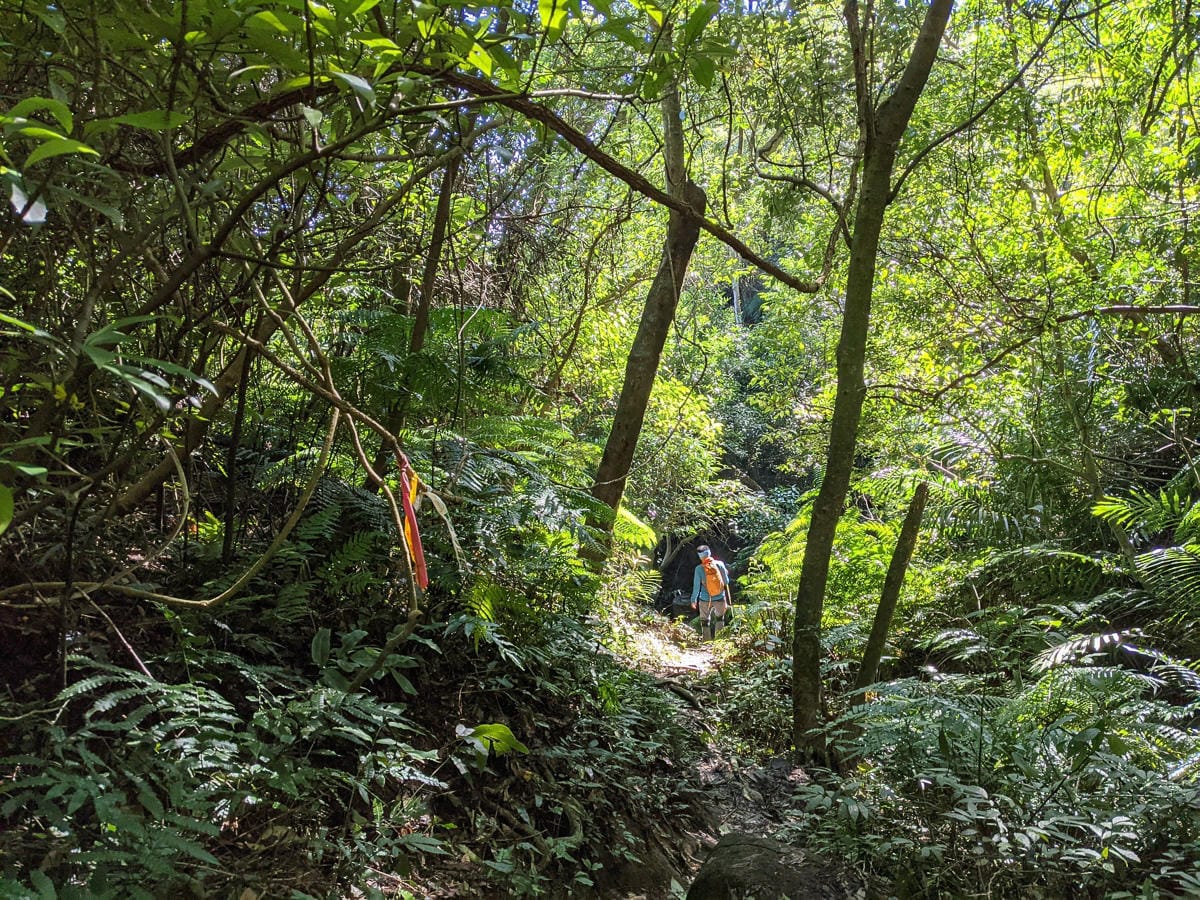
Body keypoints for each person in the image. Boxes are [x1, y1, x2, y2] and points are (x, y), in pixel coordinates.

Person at [690, 545, 732, 641]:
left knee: (705, 621)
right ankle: (719, 641)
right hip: (720, 597)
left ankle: (707, 641)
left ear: (700, 556)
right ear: (709, 553)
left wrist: (693, 600)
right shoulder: (720, 564)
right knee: (720, 619)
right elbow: (726, 582)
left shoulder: (699, 569)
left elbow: (696, 586)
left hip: (705, 599)